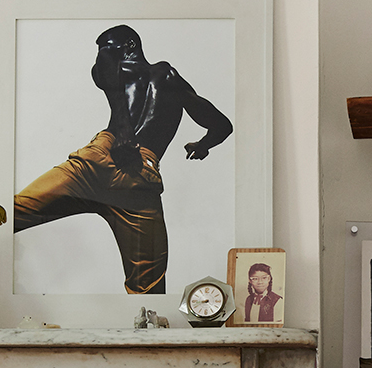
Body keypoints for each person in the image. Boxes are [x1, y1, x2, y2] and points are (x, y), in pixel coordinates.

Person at [14, 25, 233, 294]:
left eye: (106, 46)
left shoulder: (124, 68)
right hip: (140, 178)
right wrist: (203, 145)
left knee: (12, 213)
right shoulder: (171, 80)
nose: (102, 53)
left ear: (130, 45)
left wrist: (121, 122)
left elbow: (105, 61)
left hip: (101, 159)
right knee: (148, 286)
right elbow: (222, 126)